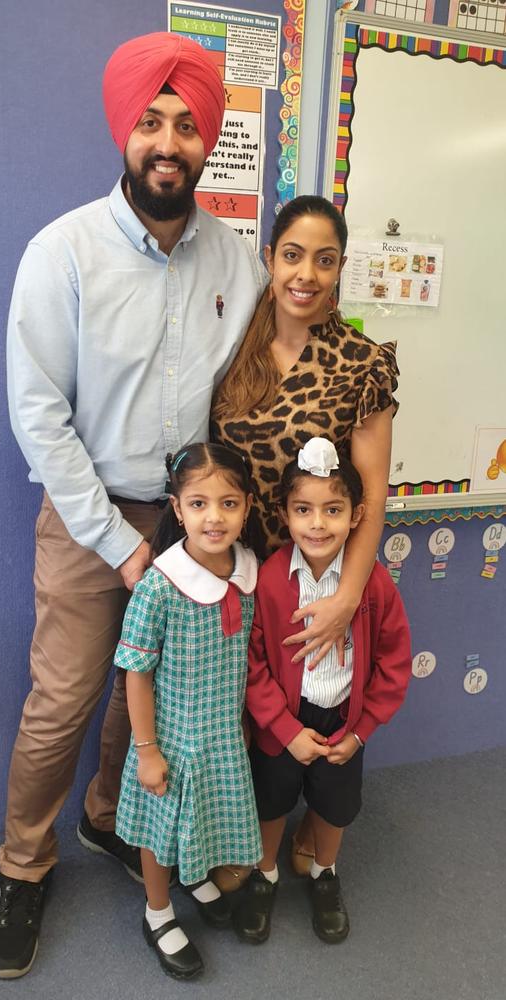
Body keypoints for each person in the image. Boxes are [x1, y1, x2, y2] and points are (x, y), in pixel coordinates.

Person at [0, 32, 267, 979]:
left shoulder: (238, 263)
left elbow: (253, 395)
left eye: (188, 125)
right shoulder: (61, 252)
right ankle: (24, 867)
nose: (169, 140)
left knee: (145, 698)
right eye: (151, 120)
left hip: (193, 524)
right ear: (125, 131)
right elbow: (38, 414)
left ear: (206, 145)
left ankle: (110, 817)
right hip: (85, 510)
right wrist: (116, 542)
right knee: (66, 699)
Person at [211, 195, 398, 878]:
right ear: (270, 258)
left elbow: (372, 496)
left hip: (317, 582)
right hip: (235, 575)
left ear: (341, 267)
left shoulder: (361, 363)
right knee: (243, 722)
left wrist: (348, 598)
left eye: (325, 260)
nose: (306, 274)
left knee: (317, 710)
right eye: (292, 255)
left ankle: (316, 848)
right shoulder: (233, 344)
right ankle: (243, 847)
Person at [232, 437, 411, 945]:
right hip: (282, 725)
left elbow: (394, 662)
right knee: (269, 802)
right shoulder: (269, 581)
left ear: (356, 516)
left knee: (335, 807)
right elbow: (253, 666)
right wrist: (285, 730)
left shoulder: (372, 585)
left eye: (333, 510)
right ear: (285, 515)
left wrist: (361, 732)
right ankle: (264, 875)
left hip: (344, 727)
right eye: (303, 510)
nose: (317, 523)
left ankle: (324, 874)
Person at [115, 443, 262, 980]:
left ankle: (197, 875)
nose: (214, 517)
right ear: (177, 510)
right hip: (172, 738)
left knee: (206, 816)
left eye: (228, 503)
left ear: (247, 507)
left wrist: (243, 720)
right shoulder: (160, 585)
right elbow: (137, 672)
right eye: (198, 504)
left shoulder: (250, 574)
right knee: (161, 830)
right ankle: (158, 912)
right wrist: (147, 749)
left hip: (222, 734)